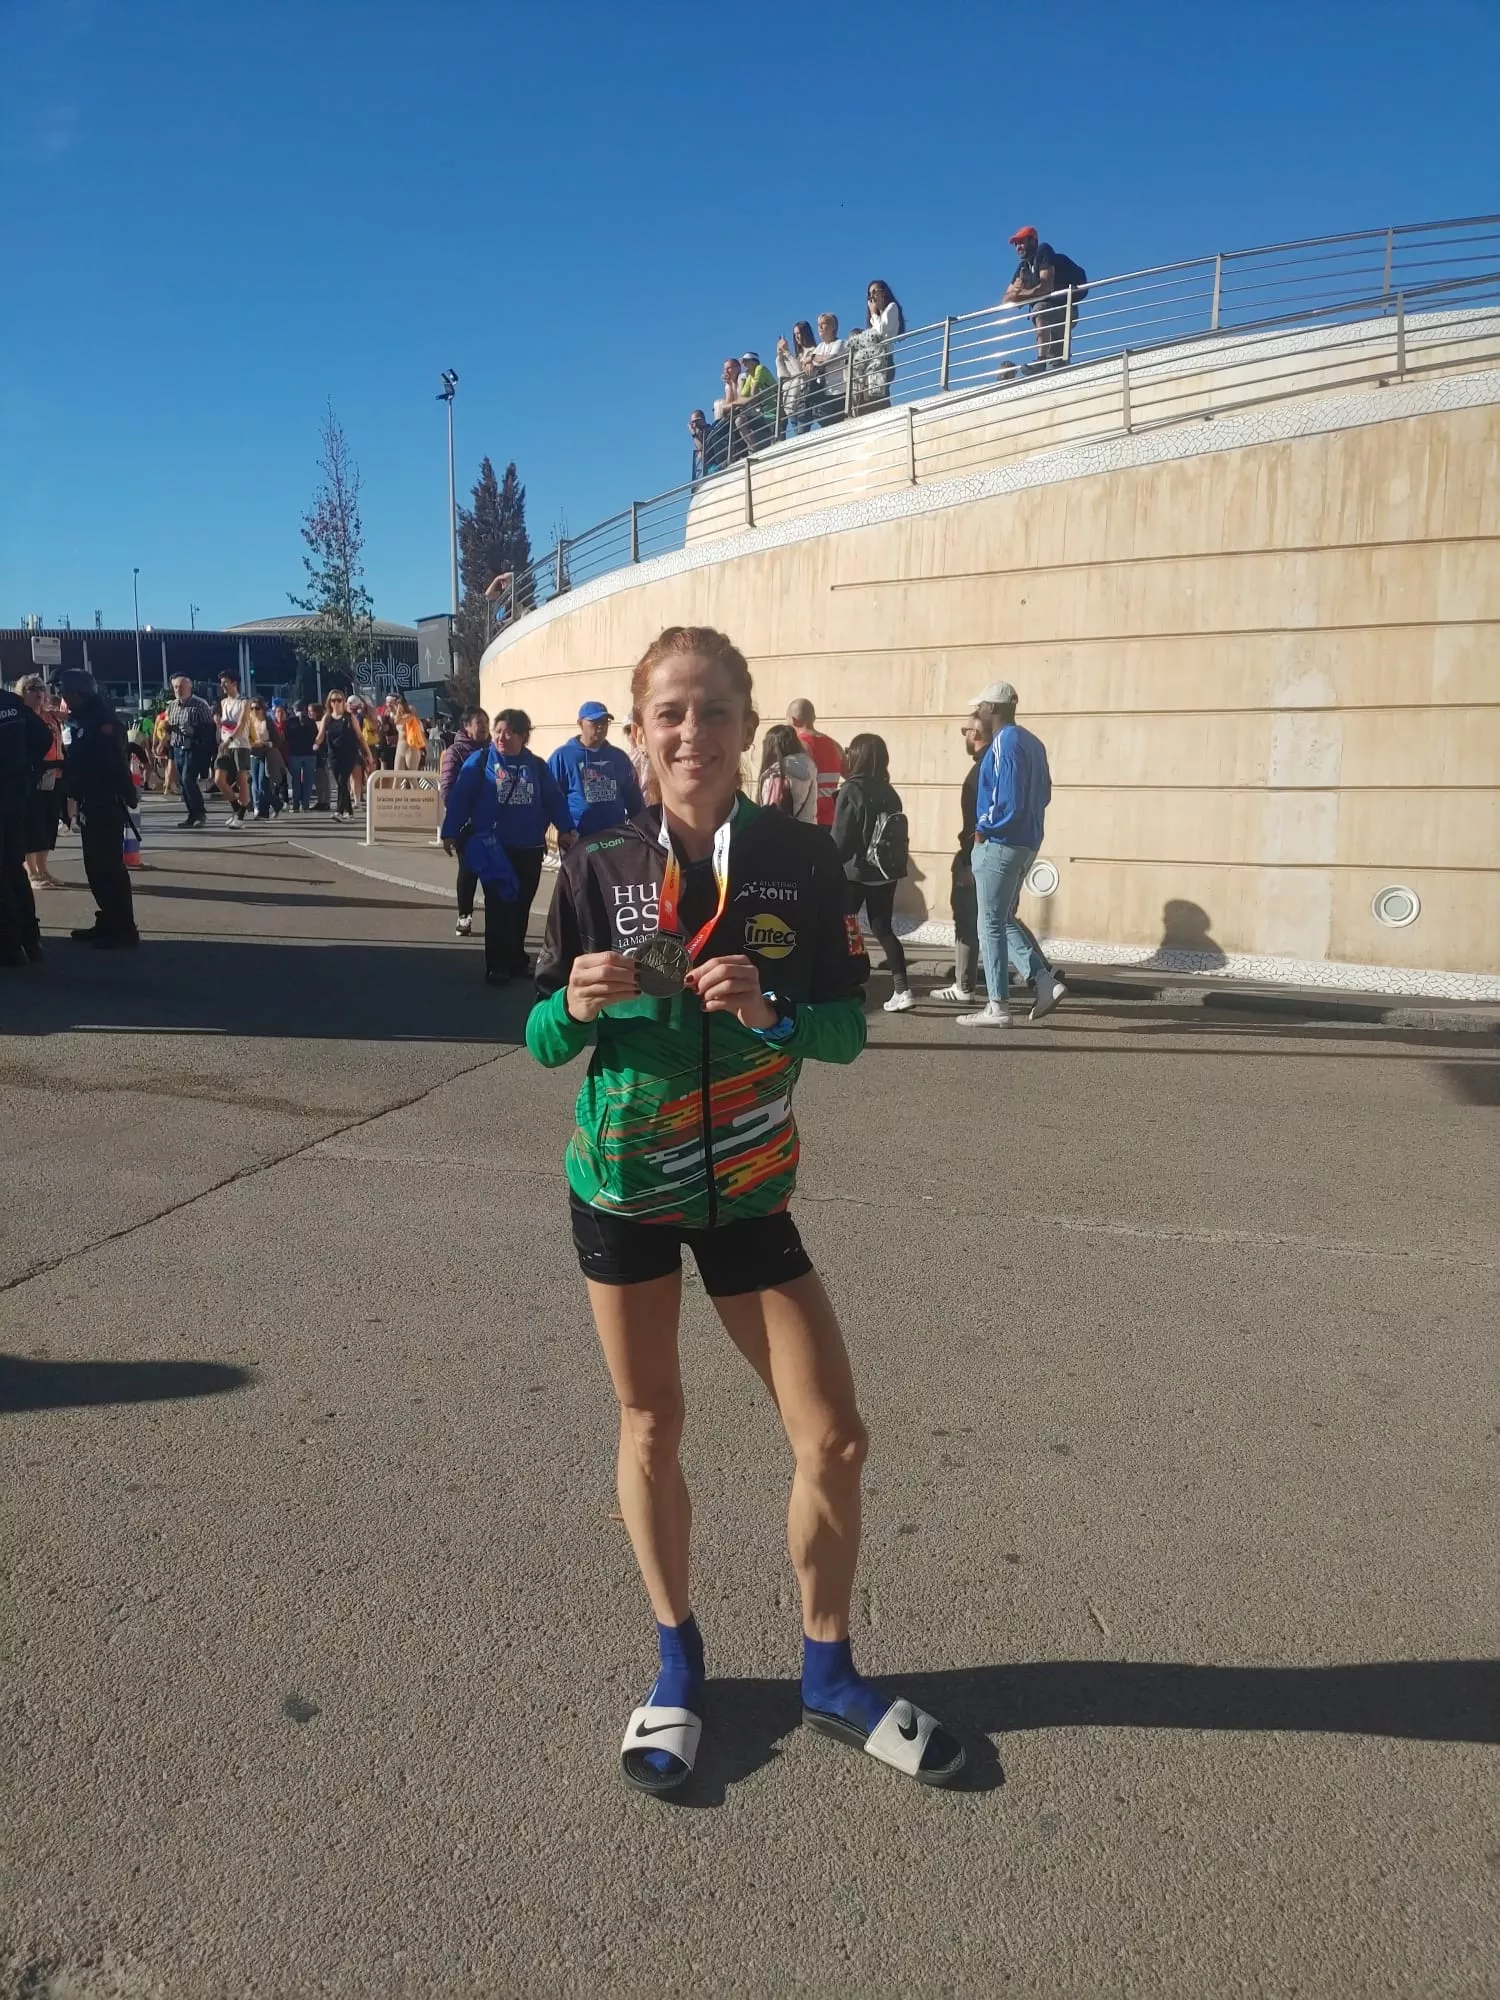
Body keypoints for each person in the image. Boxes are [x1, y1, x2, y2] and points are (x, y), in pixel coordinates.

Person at [527, 623, 964, 1796]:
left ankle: (827, 1672)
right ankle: (677, 1665)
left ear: (746, 724)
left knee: (835, 1435)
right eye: (668, 711)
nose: (691, 733)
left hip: (749, 1194)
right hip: (624, 1188)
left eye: (714, 711)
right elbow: (538, 1037)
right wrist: (571, 1004)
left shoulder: (800, 861)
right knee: (651, 1421)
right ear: (636, 731)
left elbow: (847, 1029)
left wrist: (774, 1013)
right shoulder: (598, 864)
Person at [958, 680, 1065, 1027]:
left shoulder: (1006, 742)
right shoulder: (1033, 743)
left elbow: (1007, 800)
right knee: (1001, 919)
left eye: (980, 708)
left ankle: (997, 1005)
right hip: (1026, 842)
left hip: (1000, 842)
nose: (977, 714)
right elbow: (1043, 794)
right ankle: (1043, 980)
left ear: (994, 709)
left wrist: (982, 829)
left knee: (988, 923)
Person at [441, 706, 574, 985]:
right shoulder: (480, 762)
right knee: (499, 905)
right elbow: (461, 798)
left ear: (524, 736)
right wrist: (450, 831)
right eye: (498, 731)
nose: (501, 737)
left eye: (509, 732)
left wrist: (566, 828)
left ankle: (516, 959)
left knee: (521, 905)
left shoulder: (536, 766)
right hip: (493, 848)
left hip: (529, 848)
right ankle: (497, 965)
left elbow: (554, 799)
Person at [831, 733, 913, 1014]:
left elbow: (840, 839)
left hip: (854, 873)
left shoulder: (850, 791)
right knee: (883, 928)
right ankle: (903, 989)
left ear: (857, 757)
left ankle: (851, 979)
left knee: (848, 927)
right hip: (885, 872)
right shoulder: (890, 792)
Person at [59, 669, 139, 949]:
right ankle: (107, 919)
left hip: (105, 802)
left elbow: (114, 764)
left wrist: (129, 794)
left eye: (66, 692)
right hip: (89, 801)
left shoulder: (102, 722)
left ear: (80, 694)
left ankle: (124, 928)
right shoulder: (81, 720)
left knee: (109, 867)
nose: (63, 698)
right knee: (94, 866)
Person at [0, 679, 53, 967]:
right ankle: (30, 940)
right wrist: (25, 765)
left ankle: (9, 946)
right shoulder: (12, 704)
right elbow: (43, 738)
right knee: (13, 866)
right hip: (17, 793)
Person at [548, 700, 645, 837]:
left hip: (614, 837)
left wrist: (640, 828)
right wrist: (565, 829)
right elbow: (551, 799)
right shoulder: (563, 757)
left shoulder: (618, 757)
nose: (601, 727)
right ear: (580, 724)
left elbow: (633, 797)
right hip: (577, 837)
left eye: (605, 722)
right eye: (595, 722)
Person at [1003, 226, 1086, 371]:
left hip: (1063, 310)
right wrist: (1020, 294)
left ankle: (1040, 361)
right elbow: (1006, 300)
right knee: (1056, 364)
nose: (1018, 247)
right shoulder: (1024, 267)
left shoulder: (1043, 251)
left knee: (1039, 309)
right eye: (1016, 244)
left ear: (1032, 241)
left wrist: (1020, 294)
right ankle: (1049, 368)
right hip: (1052, 317)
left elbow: (1046, 286)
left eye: (1021, 242)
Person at [440, 707, 490, 937]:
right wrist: (460, 816)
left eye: (486, 722)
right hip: (467, 824)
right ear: (466, 726)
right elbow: (448, 789)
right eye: (478, 722)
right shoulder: (455, 752)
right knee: (468, 872)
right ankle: (464, 915)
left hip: (493, 823)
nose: (483, 727)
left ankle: (497, 920)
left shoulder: (495, 751)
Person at [17, 676, 66, 886]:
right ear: (22, 692)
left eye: (40, 688)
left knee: (48, 823)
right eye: (31, 688)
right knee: (32, 824)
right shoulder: (20, 717)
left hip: (54, 774)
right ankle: (32, 872)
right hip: (32, 776)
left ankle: (43, 868)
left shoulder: (50, 717)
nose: (37, 692)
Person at [163, 674, 214, 829]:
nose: (179, 690)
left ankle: (200, 813)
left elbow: (210, 729)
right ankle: (192, 814)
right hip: (177, 746)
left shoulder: (200, 705)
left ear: (189, 688)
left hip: (194, 747)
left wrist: (194, 730)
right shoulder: (172, 705)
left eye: (182, 687)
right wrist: (165, 737)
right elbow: (169, 725)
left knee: (187, 779)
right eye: (176, 687)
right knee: (183, 783)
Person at [786, 699, 843, 829]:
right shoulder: (835, 745)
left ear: (793, 721)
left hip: (807, 819)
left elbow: (794, 786)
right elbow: (850, 774)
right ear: (814, 717)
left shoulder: (798, 745)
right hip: (831, 819)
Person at [854, 280, 905, 413]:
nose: (872, 296)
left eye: (875, 292)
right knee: (872, 398)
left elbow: (881, 333)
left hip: (884, 360)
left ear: (884, 292)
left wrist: (873, 313)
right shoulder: (875, 318)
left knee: (879, 399)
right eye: (869, 294)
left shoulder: (892, 308)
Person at [315, 690, 368, 819]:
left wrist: (368, 754)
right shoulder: (327, 718)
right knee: (341, 783)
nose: (336, 703)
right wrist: (315, 743)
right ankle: (349, 812)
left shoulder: (349, 717)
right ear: (330, 703)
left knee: (342, 780)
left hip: (349, 753)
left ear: (343, 702)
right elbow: (321, 735)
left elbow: (360, 737)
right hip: (333, 754)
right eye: (334, 700)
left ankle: (339, 811)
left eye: (339, 700)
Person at [756, 723, 818, 823]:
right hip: (808, 833)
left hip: (782, 836)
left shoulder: (777, 775)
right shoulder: (807, 768)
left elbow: (771, 816)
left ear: (773, 749)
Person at [214, 672, 252, 824]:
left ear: (234, 683)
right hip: (225, 744)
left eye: (226, 682)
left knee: (241, 779)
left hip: (240, 744)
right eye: (222, 682)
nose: (223, 685)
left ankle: (241, 815)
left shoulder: (244, 702)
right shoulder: (223, 703)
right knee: (218, 779)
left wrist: (229, 739)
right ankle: (236, 807)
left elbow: (241, 724)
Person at [775, 322, 818, 437]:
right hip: (791, 401)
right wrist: (780, 356)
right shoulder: (796, 356)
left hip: (804, 397)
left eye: (799, 333)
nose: (797, 337)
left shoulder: (813, 351)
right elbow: (782, 374)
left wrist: (787, 353)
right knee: (797, 434)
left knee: (801, 434)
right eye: (795, 334)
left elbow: (801, 372)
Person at [808, 313, 847, 428]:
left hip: (838, 392)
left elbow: (829, 359)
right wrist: (812, 360)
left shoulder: (840, 343)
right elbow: (807, 362)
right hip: (824, 392)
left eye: (823, 324)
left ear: (833, 327)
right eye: (818, 324)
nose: (820, 327)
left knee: (838, 425)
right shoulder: (820, 346)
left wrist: (812, 358)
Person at [282, 701, 318, 812]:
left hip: (294, 753)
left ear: (294, 709)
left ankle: (296, 805)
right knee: (308, 780)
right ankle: (305, 804)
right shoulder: (311, 722)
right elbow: (315, 736)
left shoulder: (289, 722)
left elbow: (286, 738)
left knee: (296, 780)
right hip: (309, 753)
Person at [392, 696, 428, 779]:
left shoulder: (410, 716)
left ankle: (417, 792)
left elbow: (398, 721)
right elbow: (395, 721)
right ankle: (395, 792)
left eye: (397, 705)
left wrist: (398, 709)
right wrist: (396, 710)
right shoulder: (398, 715)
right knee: (396, 777)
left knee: (411, 778)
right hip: (400, 748)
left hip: (410, 748)